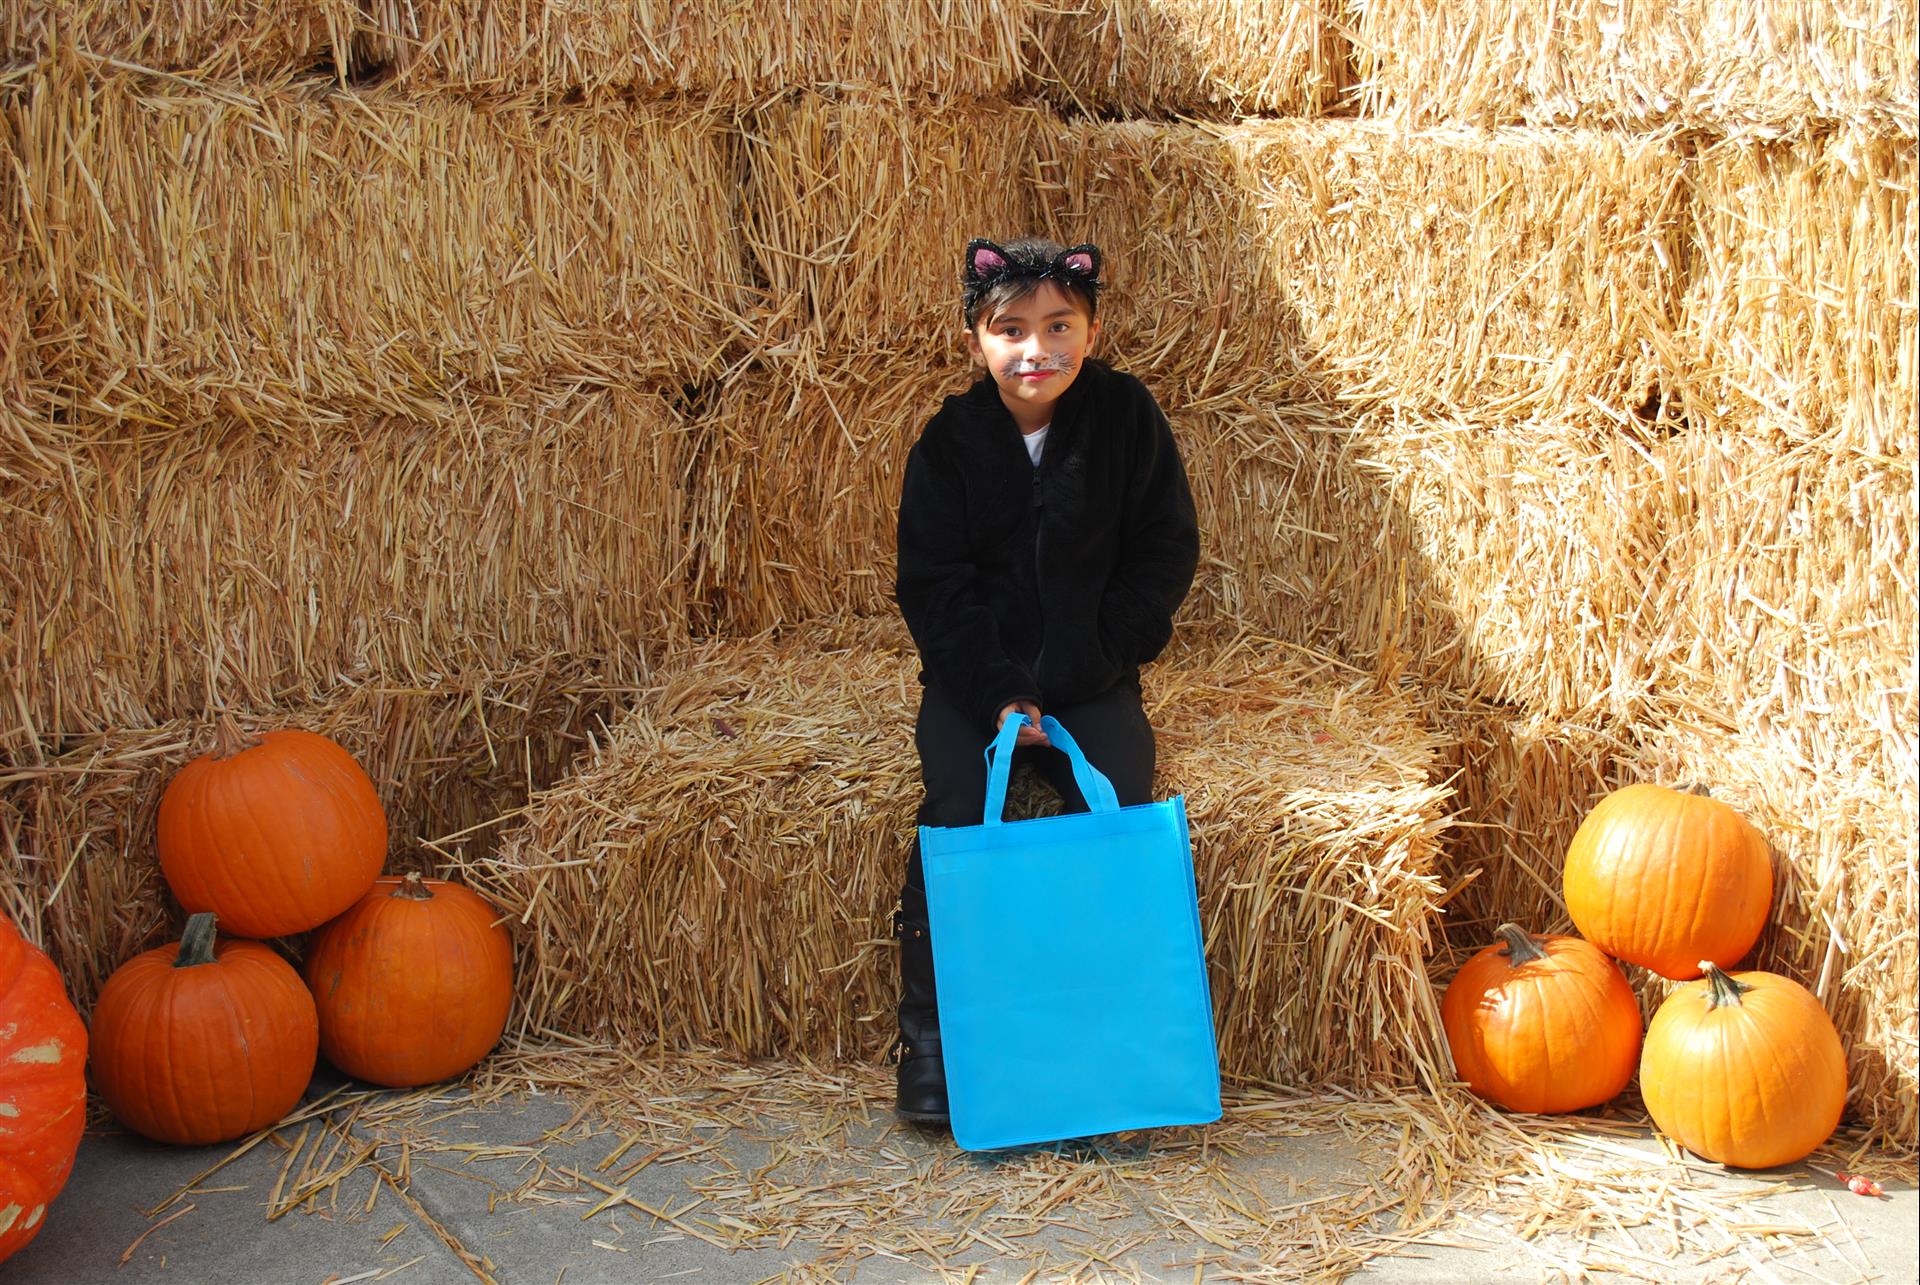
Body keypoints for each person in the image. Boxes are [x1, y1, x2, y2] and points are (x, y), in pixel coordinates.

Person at [891, 235, 1200, 1124]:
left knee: (1118, 797)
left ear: (1092, 329)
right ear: (976, 340)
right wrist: (997, 692)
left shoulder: (1126, 420)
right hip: (973, 681)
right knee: (953, 805)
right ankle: (935, 1036)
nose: (1037, 349)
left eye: (1059, 325)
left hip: (1089, 673)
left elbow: (1163, 552)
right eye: (1012, 329)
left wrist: (1079, 670)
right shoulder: (948, 445)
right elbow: (932, 586)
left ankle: (1100, 1032)